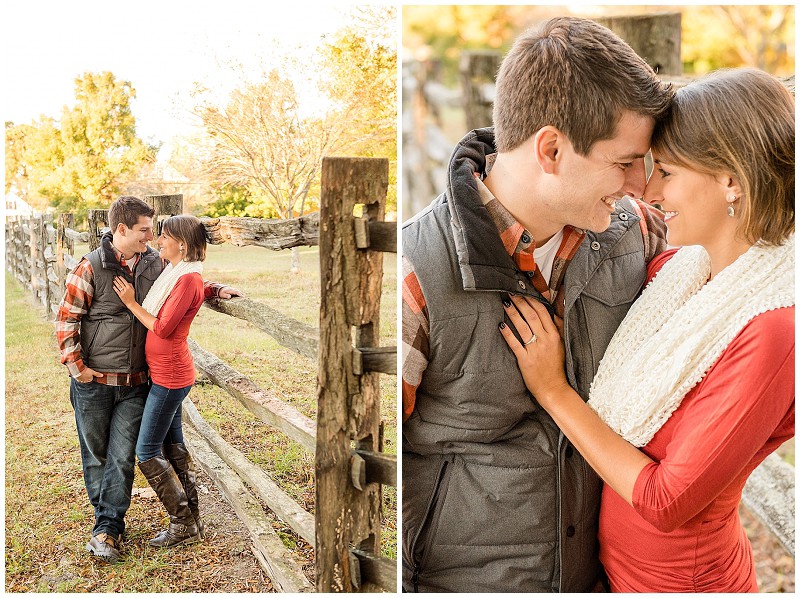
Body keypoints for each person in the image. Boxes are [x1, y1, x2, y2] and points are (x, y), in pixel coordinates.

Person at [401, 17, 673, 592]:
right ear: (551, 148)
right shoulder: (412, 275)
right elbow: (370, 472)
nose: (638, 184)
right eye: (624, 161)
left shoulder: (639, 232)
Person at [499, 67, 794, 592]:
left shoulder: (771, 332)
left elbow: (666, 501)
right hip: (614, 574)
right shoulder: (672, 274)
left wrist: (552, 390)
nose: (649, 192)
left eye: (669, 172)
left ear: (731, 180)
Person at [56, 196, 242, 564]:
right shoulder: (90, 268)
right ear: (121, 230)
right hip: (94, 381)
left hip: (137, 381)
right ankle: (107, 524)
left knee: (125, 455)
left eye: (155, 232)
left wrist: (215, 288)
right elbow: (66, 321)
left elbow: (184, 281)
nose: (152, 237)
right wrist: (78, 368)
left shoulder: (155, 263)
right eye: (144, 230)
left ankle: (107, 530)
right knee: (97, 454)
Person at [113, 215, 208, 548]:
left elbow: (163, 327)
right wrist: (217, 288)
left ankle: (183, 525)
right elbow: (193, 292)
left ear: (181, 243)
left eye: (164, 236)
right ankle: (192, 514)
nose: (158, 242)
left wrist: (130, 304)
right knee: (173, 448)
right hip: (165, 374)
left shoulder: (186, 279)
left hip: (170, 377)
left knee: (146, 450)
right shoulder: (178, 273)